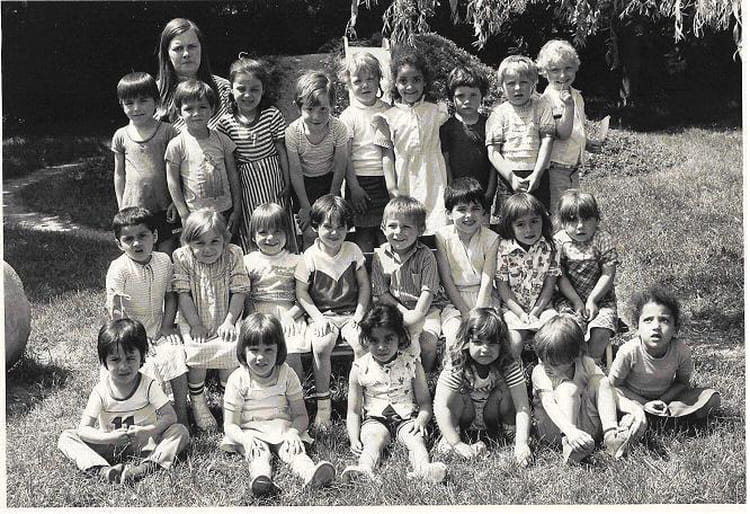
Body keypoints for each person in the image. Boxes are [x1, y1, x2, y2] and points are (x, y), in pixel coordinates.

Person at [57, 319, 189, 483]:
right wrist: (109, 438)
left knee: (179, 431)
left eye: (130, 358)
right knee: (67, 437)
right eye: (115, 359)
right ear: (104, 361)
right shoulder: (101, 391)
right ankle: (103, 470)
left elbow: (170, 416)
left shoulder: (148, 385)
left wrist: (147, 431)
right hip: (110, 446)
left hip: (146, 444)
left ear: (142, 357)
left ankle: (145, 468)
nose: (123, 366)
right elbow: (84, 429)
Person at [220, 313, 335, 496]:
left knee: (294, 451)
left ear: (279, 350)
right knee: (259, 454)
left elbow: (301, 415)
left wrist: (293, 432)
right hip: (250, 431)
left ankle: (311, 474)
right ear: (243, 350)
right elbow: (230, 425)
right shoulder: (238, 379)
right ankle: (261, 479)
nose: (261, 357)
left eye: (268, 350)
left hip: (282, 428)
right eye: (254, 350)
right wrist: (244, 439)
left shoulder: (287, 374)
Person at [341, 304, 447, 483]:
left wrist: (421, 421)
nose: (381, 347)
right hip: (375, 420)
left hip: (407, 419)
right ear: (366, 340)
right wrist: (353, 438)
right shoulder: (359, 368)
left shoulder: (412, 364)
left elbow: (425, 403)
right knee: (373, 441)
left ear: (400, 337)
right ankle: (364, 469)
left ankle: (424, 468)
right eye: (374, 340)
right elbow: (353, 411)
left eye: (388, 339)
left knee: (416, 440)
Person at [105, 207, 189, 427]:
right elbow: (117, 313)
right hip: (130, 333)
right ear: (119, 244)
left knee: (175, 353)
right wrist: (138, 340)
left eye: (142, 236)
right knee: (147, 365)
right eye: (128, 239)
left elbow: (170, 296)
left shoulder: (164, 261)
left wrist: (167, 326)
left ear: (155, 236)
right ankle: (154, 415)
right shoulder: (119, 269)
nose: (136, 243)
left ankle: (182, 412)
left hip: (158, 327)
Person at [172, 208, 251, 431]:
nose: (208, 249)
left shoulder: (233, 254)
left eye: (214, 241)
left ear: (225, 239)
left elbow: (239, 291)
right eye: (199, 243)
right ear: (188, 242)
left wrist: (229, 321)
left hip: (226, 314)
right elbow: (183, 294)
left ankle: (229, 401)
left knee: (231, 354)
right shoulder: (182, 257)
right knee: (197, 354)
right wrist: (195, 324)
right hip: (194, 316)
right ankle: (198, 402)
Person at [295, 195, 370, 427]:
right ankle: (323, 404)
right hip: (324, 315)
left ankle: (363, 400)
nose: (334, 233)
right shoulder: (310, 256)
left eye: (341, 226)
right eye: (328, 226)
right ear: (315, 226)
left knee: (361, 343)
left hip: (350, 314)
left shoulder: (353, 250)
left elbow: (364, 286)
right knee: (321, 345)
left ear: (348, 227)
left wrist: (359, 316)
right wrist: (318, 318)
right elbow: (301, 293)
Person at [609, 287, 721, 434]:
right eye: (648, 320)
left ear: (675, 328)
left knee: (712, 398)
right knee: (612, 399)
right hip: (634, 400)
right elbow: (614, 386)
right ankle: (647, 419)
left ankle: (665, 418)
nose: (656, 326)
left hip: (667, 400)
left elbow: (682, 383)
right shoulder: (628, 351)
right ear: (637, 327)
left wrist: (663, 400)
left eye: (664, 320)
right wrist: (644, 404)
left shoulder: (682, 351)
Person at [433, 308, 532, 465]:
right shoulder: (458, 364)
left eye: (492, 343)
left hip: (493, 414)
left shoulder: (508, 364)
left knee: (505, 390)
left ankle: (510, 431)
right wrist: (456, 443)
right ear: (467, 341)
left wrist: (522, 443)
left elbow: (522, 406)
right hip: (465, 413)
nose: (485, 349)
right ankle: (451, 436)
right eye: (478, 342)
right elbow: (441, 405)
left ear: (502, 344)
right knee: (457, 393)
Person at [217, 56, 296, 254]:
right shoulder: (226, 123)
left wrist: (287, 184)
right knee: (253, 223)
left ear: (263, 90)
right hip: (246, 184)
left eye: (254, 89)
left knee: (277, 221)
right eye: (241, 89)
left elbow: (281, 151)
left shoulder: (271, 115)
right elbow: (229, 164)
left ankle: (287, 261)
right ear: (231, 89)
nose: (248, 95)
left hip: (273, 179)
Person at [531, 315, 633, 464]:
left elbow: (607, 390)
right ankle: (569, 446)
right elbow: (548, 404)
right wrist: (570, 431)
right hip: (555, 428)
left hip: (584, 427)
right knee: (568, 388)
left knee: (601, 381)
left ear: (574, 357)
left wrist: (633, 409)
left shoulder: (585, 363)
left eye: (554, 364)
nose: (547, 367)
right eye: (543, 359)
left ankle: (611, 436)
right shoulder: (540, 372)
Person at [373, 46, 450, 235]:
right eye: (403, 81)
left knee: (438, 224)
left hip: (434, 177)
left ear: (425, 81)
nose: (410, 86)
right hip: (405, 178)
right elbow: (387, 156)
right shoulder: (389, 117)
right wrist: (392, 187)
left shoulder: (436, 111)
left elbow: (445, 151)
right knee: (408, 224)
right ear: (395, 83)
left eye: (416, 80)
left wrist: (449, 181)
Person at [371, 196, 442, 373]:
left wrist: (415, 316)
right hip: (393, 310)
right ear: (383, 227)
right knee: (392, 338)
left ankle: (425, 374)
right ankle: (395, 373)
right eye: (392, 226)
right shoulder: (380, 255)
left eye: (406, 227)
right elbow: (382, 293)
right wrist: (404, 314)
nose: (398, 232)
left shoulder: (425, 256)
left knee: (428, 342)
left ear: (420, 230)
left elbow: (428, 292)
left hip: (425, 310)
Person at [111, 72, 180, 254]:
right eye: (129, 103)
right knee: (139, 253)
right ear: (121, 104)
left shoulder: (168, 131)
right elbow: (119, 174)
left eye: (143, 101)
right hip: (134, 209)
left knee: (165, 255)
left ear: (156, 101)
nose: (136, 108)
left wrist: (176, 201)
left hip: (164, 207)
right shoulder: (121, 135)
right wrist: (122, 206)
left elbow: (180, 170)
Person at [165, 80, 242, 237]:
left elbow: (233, 176)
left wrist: (237, 209)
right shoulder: (177, 144)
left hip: (224, 211)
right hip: (195, 214)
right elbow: (172, 181)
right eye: (189, 109)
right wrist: (183, 213)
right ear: (179, 112)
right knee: (199, 248)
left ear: (212, 109)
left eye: (202, 107)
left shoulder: (222, 140)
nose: (196, 113)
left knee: (226, 246)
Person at [435, 177, 500, 357]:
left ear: (484, 212)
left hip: (484, 298)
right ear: (449, 213)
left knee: (489, 332)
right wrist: (464, 312)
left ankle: (488, 370)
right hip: (454, 300)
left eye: (475, 209)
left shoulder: (491, 238)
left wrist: (478, 311)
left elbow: (487, 279)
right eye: (461, 209)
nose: (469, 215)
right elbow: (446, 279)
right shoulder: (442, 237)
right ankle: (454, 371)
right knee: (453, 334)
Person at [536, 40, 601, 216]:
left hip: (573, 167)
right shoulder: (547, 100)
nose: (563, 75)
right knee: (560, 212)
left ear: (576, 68)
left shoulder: (577, 96)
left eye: (568, 68)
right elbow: (561, 133)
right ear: (544, 72)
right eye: (555, 70)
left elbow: (575, 127)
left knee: (572, 209)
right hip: (556, 167)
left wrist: (586, 143)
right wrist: (568, 107)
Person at [285, 71, 350, 249]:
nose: (316, 116)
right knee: (309, 233)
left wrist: (332, 196)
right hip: (303, 186)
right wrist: (305, 206)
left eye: (323, 109)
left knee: (332, 227)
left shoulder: (338, 128)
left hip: (329, 182)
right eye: (310, 109)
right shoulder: (293, 132)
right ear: (299, 107)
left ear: (332, 106)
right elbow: (295, 171)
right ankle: (309, 264)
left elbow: (341, 165)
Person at [243, 203, 307, 381]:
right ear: (253, 236)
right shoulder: (247, 261)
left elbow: (304, 297)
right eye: (263, 232)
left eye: (277, 231)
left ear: (287, 232)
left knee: (291, 349)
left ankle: (294, 389)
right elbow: (245, 296)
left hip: (289, 314)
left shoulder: (296, 260)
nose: (270, 237)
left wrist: (290, 316)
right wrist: (253, 317)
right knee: (257, 347)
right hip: (257, 314)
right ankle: (260, 389)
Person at [486, 55, 555, 220]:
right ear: (502, 86)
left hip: (537, 173)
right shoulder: (498, 113)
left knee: (538, 219)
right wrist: (511, 178)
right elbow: (493, 152)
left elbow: (547, 141)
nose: (517, 88)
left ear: (533, 84)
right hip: (508, 175)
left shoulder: (542, 107)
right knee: (510, 221)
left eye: (523, 82)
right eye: (511, 83)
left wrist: (537, 175)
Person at [554, 190, 619, 363]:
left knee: (601, 330)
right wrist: (576, 301)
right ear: (562, 222)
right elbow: (560, 276)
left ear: (597, 219)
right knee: (568, 330)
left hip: (601, 299)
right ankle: (573, 362)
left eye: (586, 219)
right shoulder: (559, 241)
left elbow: (608, 273)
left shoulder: (602, 238)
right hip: (569, 299)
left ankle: (591, 363)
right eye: (573, 220)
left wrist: (592, 300)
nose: (580, 226)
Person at [495, 193, 559, 360]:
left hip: (543, 307)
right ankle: (513, 373)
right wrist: (521, 314)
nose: (529, 230)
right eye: (521, 224)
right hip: (513, 309)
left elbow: (549, 285)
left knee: (554, 337)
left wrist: (536, 311)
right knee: (514, 342)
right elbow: (503, 287)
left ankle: (548, 371)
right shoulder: (503, 249)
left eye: (534, 221)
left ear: (543, 220)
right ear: (510, 226)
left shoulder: (551, 247)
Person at [338, 52, 391, 253]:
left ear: (379, 80)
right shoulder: (348, 116)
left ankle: (388, 272)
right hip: (361, 182)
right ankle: (364, 271)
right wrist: (354, 187)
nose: (365, 85)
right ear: (348, 85)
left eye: (370, 79)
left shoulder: (388, 110)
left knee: (388, 235)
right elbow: (345, 156)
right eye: (358, 81)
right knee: (364, 237)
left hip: (387, 180)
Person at [156, 17, 232, 131]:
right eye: (178, 48)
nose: (186, 53)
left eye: (192, 46)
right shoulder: (152, 94)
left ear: (201, 48)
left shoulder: (224, 89)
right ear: (167, 54)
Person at [440, 66, 497, 209]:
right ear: (452, 97)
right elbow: (446, 163)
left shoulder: (489, 124)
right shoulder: (447, 127)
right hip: (457, 195)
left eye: (473, 95)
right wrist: (451, 190)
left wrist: (490, 191)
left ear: (482, 95)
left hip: (483, 194)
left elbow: (493, 162)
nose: (467, 101)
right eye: (461, 96)